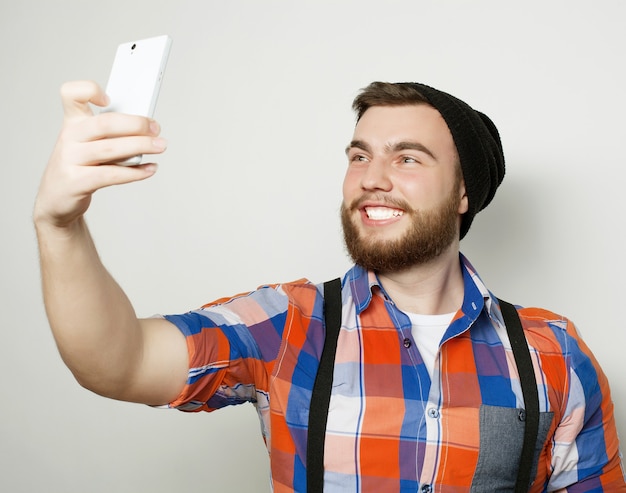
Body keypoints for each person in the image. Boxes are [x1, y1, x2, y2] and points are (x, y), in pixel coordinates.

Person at [34, 80, 626, 492]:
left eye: (408, 159)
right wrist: (60, 225)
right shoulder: (287, 323)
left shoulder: (552, 353)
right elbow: (119, 361)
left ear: (464, 192)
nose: (371, 179)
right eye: (359, 155)